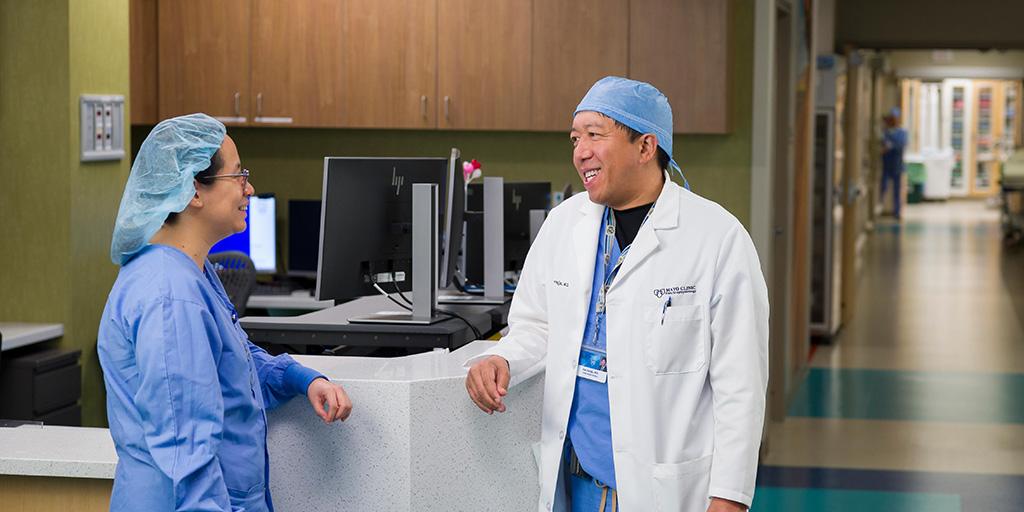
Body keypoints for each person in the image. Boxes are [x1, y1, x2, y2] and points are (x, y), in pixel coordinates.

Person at [465, 77, 769, 512]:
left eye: (594, 134)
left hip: (664, 492)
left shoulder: (717, 239)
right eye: (575, 138)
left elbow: (741, 384)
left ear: (646, 147)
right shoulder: (563, 226)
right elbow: (535, 326)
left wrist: (729, 498)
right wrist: (502, 358)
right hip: (576, 488)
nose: (580, 151)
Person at [98, 114, 352, 512]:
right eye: (238, 176)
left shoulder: (193, 273)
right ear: (194, 191)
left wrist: (299, 379)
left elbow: (233, 363)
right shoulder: (170, 296)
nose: (249, 188)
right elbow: (187, 458)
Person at [881, 107, 908, 220]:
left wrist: (890, 146)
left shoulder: (902, 132)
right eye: (892, 118)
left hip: (897, 165)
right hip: (886, 165)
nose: (894, 120)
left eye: (895, 118)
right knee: (883, 187)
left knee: (897, 191)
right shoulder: (885, 132)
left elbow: (901, 145)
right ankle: (879, 207)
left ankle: (897, 212)